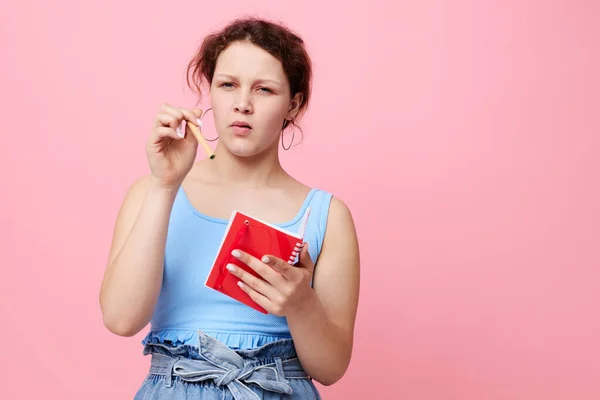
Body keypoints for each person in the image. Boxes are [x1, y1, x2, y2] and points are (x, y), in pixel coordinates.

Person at [99, 16, 360, 400]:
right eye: (227, 85)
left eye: (265, 90)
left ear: (294, 104)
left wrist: (301, 304)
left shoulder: (326, 215)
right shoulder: (152, 192)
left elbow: (331, 368)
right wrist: (165, 184)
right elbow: (121, 320)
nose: (242, 104)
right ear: (211, 93)